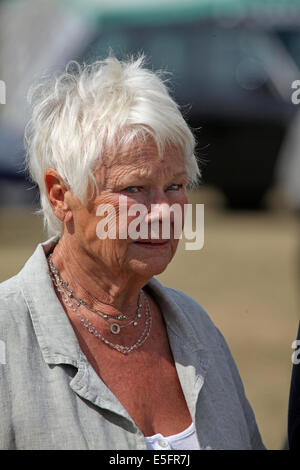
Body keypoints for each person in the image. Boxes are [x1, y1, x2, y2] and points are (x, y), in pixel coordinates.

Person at [0, 55, 265, 450]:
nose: (161, 212)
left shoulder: (197, 329)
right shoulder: (9, 337)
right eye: (134, 189)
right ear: (60, 195)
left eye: (175, 186)